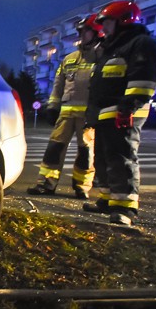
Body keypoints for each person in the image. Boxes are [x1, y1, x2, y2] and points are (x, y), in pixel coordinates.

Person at [82, 0, 156, 226]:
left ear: (123, 20)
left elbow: (145, 79)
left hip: (124, 112)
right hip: (106, 114)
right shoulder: (112, 48)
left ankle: (125, 208)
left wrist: (128, 106)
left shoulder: (141, 44)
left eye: (107, 22)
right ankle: (107, 200)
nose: (103, 28)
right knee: (104, 158)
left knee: (122, 157)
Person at [27, 14, 102, 199]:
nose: (82, 35)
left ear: (97, 33)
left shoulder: (102, 59)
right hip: (66, 113)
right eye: (81, 32)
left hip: (87, 115)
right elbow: (58, 85)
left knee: (85, 152)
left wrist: (97, 112)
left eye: (86, 32)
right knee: (54, 148)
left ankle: (81, 186)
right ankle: (46, 184)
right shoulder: (69, 59)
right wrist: (52, 106)